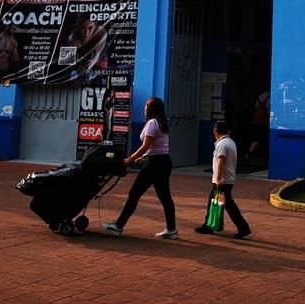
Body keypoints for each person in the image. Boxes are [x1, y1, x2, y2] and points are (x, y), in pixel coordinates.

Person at [103, 97, 177, 239]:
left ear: (151, 109)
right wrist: (142, 158)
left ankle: (118, 225)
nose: (144, 109)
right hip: (164, 161)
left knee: (135, 193)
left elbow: (146, 145)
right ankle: (171, 229)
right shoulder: (162, 123)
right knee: (165, 196)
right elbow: (157, 147)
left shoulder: (151, 124)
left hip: (154, 164)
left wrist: (130, 159)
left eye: (146, 107)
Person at [194, 121, 252, 239]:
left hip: (222, 181)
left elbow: (221, 161)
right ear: (228, 131)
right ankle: (210, 225)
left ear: (215, 132)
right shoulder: (231, 142)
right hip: (228, 180)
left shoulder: (222, 144)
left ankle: (243, 227)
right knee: (216, 202)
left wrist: (219, 179)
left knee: (227, 204)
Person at [244, 88, 270, 166]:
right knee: (266, 139)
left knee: (256, 139)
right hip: (264, 122)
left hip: (256, 121)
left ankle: (249, 154)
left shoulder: (260, 96)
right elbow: (269, 111)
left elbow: (256, 108)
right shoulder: (270, 97)